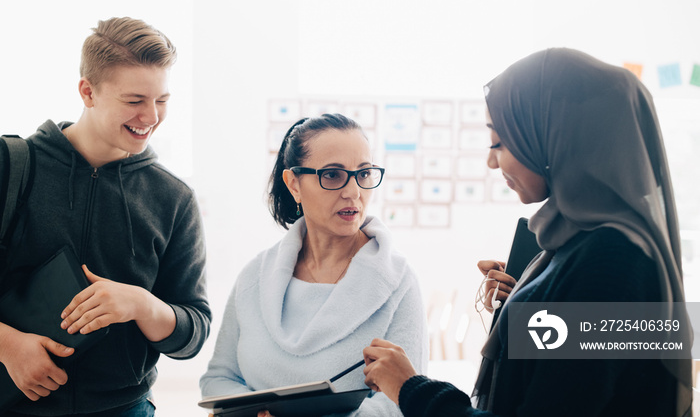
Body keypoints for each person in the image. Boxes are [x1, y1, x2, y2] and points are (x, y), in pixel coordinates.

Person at [362, 48, 693, 416]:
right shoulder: (578, 244)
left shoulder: (613, 258)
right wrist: (529, 299)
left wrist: (409, 387)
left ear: (558, 135)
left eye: (499, 142)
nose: (491, 161)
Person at [0, 17, 211, 416]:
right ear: (88, 91)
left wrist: (143, 305)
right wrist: (8, 346)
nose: (151, 117)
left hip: (124, 409)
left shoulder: (174, 198)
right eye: (134, 101)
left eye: (161, 100)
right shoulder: (8, 167)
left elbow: (193, 331)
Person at [200, 113, 428, 416]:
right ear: (294, 183)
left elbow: (403, 402)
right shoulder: (255, 276)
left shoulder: (398, 282)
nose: (353, 192)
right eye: (333, 175)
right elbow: (218, 379)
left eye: (363, 173)